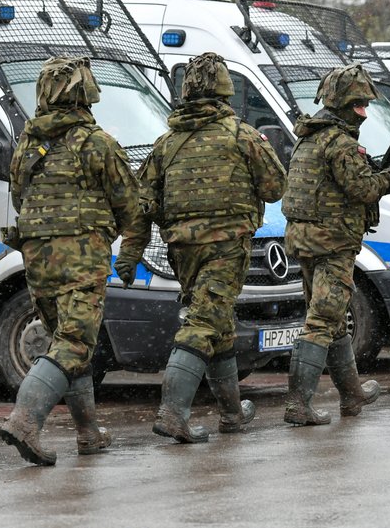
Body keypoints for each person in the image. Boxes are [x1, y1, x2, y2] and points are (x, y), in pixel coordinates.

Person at [116, 52, 286, 443]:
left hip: (183, 253)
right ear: (226, 92)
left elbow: (142, 205)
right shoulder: (242, 136)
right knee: (202, 325)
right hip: (225, 250)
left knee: (219, 326)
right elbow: (276, 188)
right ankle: (173, 414)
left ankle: (231, 413)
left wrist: (130, 255)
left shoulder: (166, 144)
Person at [0, 56, 143, 466]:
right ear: (86, 94)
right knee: (75, 342)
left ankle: (88, 433)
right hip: (81, 259)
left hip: (38, 259)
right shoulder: (98, 144)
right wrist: (129, 256)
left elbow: (20, 199)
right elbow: (131, 209)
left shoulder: (28, 144)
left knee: (67, 338)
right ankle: (24, 421)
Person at [282, 63, 390, 426]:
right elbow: (362, 189)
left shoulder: (310, 136)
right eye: (359, 104)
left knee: (332, 321)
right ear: (345, 104)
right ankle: (298, 405)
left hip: (305, 241)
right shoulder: (340, 143)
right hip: (332, 244)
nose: (364, 111)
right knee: (321, 320)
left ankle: (351, 394)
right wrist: (388, 178)